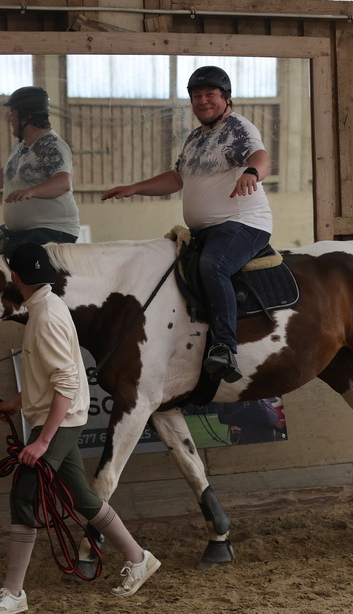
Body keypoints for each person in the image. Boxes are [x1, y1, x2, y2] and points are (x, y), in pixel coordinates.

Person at [0, 243, 160, 614]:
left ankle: (13, 593)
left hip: (58, 421)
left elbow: (68, 380)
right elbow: (56, 372)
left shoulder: (45, 317)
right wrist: (20, 400)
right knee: (84, 500)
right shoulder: (48, 306)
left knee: (24, 495)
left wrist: (42, 441)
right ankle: (140, 558)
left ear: (18, 278)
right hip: (59, 416)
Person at [101, 66, 273, 384]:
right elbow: (177, 178)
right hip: (205, 230)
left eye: (210, 95)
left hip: (241, 224)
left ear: (226, 97)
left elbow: (260, 156)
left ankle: (224, 347)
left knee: (213, 267)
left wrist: (252, 173)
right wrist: (134, 187)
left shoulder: (238, 127)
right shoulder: (196, 138)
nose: (203, 101)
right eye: (197, 96)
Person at [0, 86, 81, 256]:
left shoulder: (52, 145)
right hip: (23, 231)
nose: (10, 119)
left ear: (27, 116)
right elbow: (7, 174)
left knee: (19, 265)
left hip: (53, 231)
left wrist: (31, 191)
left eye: (13, 114)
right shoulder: (21, 146)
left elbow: (63, 182)